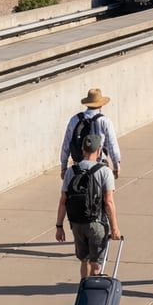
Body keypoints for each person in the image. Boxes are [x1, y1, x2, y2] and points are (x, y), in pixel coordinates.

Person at [56, 134, 121, 279]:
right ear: (98, 151)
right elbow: (109, 202)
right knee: (96, 264)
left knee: (84, 260)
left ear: (82, 149)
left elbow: (63, 200)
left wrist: (59, 226)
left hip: (77, 223)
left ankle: (83, 288)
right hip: (97, 224)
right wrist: (115, 228)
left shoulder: (71, 171)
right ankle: (92, 294)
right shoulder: (105, 172)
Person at [61, 88, 122, 179]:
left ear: (87, 105)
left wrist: (63, 167)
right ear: (101, 106)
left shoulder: (75, 119)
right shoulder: (104, 121)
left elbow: (66, 145)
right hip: (99, 166)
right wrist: (116, 166)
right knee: (107, 192)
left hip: (78, 167)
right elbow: (112, 146)